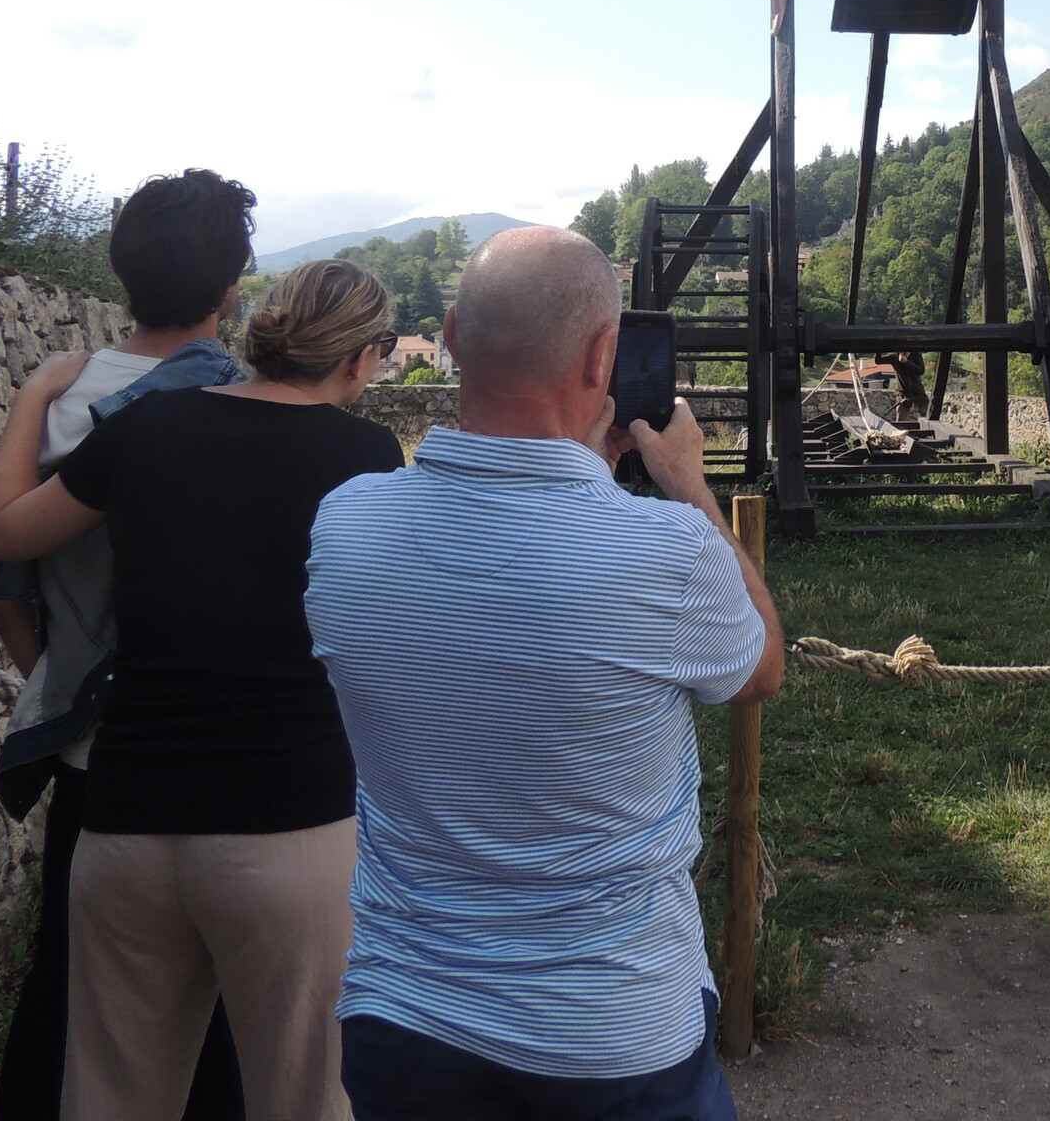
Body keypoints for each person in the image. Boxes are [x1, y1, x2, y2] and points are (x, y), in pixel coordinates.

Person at [306, 226, 784, 1121]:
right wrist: (691, 486)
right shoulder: (667, 551)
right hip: (611, 1025)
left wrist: (582, 479)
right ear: (603, 358)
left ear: (452, 335)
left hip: (405, 1017)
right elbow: (759, 669)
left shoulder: (347, 524)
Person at [0, 258, 407, 1121]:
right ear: (362, 357)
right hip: (290, 826)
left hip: (126, 825)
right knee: (306, 1100)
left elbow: (8, 533)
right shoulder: (365, 456)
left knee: (109, 1100)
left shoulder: (150, 426)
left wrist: (34, 392)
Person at [0, 169, 257, 1121]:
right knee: (219, 1026)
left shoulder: (63, 400)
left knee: (67, 1008)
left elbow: (6, 588)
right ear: (232, 288)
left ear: (121, 272)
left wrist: (65, 690)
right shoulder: (254, 405)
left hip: (94, 764)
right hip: (228, 761)